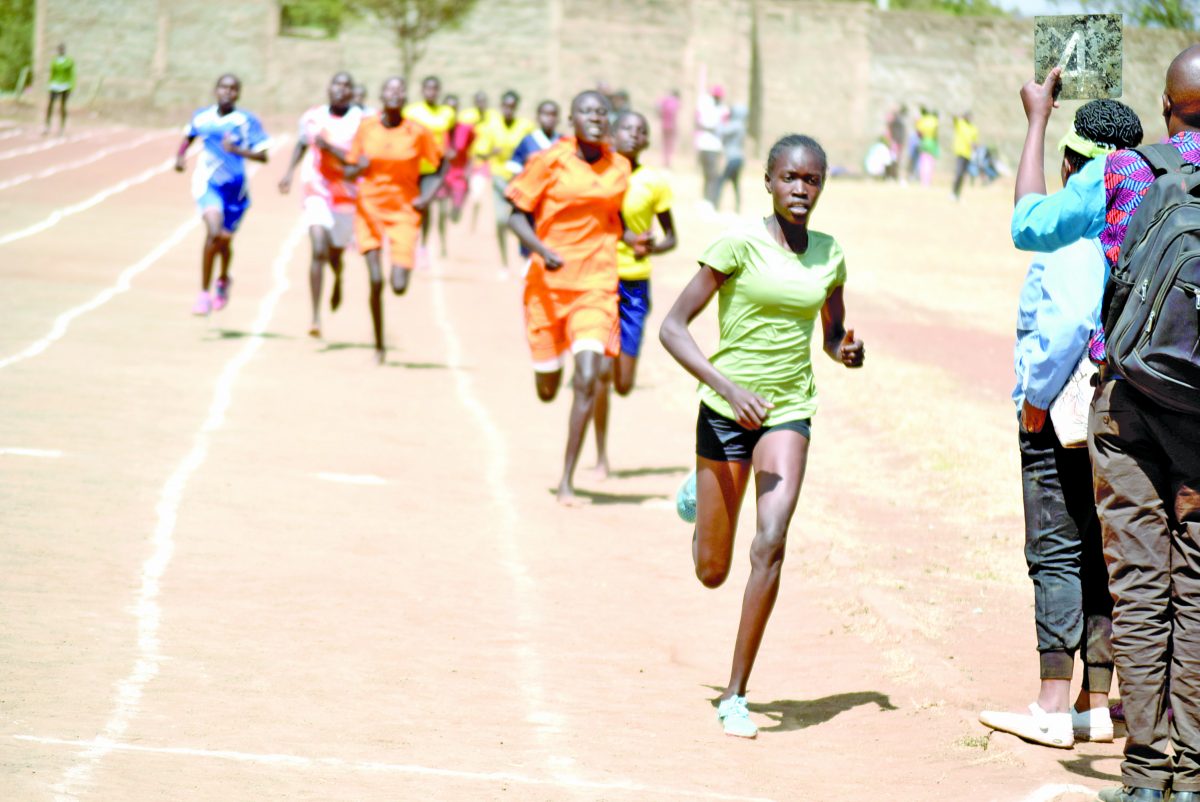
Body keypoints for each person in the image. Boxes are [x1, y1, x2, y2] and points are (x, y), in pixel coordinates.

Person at [1011, 50, 1200, 802]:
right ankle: (1192, 776)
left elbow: (1030, 224)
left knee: (1142, 587)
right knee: (1196, 588)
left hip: (1129, 405)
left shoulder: (1125, 172)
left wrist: (1037, 121)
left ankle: (1147, 775)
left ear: (1165, 105)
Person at [659, 134, 864, 738]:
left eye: (813, 180)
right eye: (790, 178)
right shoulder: (736, 243)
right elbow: (673, 328)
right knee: (712, 571)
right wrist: (726, 389)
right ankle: (702, 502)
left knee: (770, 541)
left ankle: (736, 692)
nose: (801, 190)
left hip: (786, 410)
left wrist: (844, 350)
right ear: (769, 181)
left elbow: (832, 334)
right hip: (725, 411)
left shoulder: (830, 255)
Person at [978, 98, 1143, 751]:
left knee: (1054, 546)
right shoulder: (1142, 204)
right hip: (1129, 401)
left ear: (1073, 164)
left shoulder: (1078, 220)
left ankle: (1050, 705)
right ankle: (1094, 701)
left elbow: (1070, 319)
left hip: (1067, 405)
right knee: (1103, 549)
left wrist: (1036, 396)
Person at [504, 90, 633, 505]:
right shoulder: (549, 161)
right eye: (587, 111)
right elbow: (516, 216)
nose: (596, 117)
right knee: (547, 388)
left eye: (602, 112)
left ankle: (566, 479)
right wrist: (541, 250)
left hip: (596, 285)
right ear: (572, 120)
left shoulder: (620, 167)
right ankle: (546, 364)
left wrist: (638, 239)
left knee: (589, 376)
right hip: (547, 286)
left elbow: (616, 220)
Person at [590, 109, 676, 478]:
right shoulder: (599, 173)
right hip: (600, 278)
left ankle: (602, 451)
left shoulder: (654, 183)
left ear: (645, 141)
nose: (632, 135)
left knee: (624, 384)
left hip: (636, 285)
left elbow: (672, 237)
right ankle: (600, 457)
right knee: (601, 375)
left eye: (640, 131)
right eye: (626, 128)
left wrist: (649, 247)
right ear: (612, 133)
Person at [344, 76, 446, 364]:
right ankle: (379, 345)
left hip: (403, 211)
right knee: (376, 280)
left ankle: (403, 267)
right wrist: (358, 168)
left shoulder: (417, 132)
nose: (395, 93)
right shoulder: (366, 128)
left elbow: (442, 163)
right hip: (369, 208)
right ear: (381, 95)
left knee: (398, 285)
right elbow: (349, 170)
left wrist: (427, 197)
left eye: (400, 90)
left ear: (405, 97)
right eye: (389, 89)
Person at [174, 73, 269, 316]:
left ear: (239, 93)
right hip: (208, 185)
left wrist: (236, 150)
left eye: (233, 89)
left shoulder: (246, 121)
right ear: (216, 90)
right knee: (213, 233)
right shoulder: (202, 116)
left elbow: (263, 156)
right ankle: (203, 294)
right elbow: (189, 136)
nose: (227, 92)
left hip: (236, 192)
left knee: (225, 241)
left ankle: (224, 279)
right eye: (223, 87)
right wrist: (180, 155)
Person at [278, 71, 363, 338]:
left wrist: (331, 149)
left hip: (346, 194)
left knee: (335, 253)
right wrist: (289, 172)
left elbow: (359, 159)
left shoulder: (361, 121)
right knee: (317, 248)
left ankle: (338, 277)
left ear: (352, 92)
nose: (340, 89)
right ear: (328, 88)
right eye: (336, 84)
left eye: (346, 85)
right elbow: (303, 143)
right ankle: (315, 317)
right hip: (317, 187)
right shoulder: (313, 116)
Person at [476, 90, 534, 276]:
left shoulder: (525, 127)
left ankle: (526, 259)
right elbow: (480, 153)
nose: (508, 110)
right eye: (505, 106)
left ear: (516, 107)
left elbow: (534, 148)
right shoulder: (491, 127)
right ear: (501, 106)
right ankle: (503, 263)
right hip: (500, 179)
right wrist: (493, 152)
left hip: (520, 180)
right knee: (501, 221)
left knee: (523, 222)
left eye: (512, 106)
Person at [403, 75, 456, 270]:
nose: (431, 93)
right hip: (412, 166)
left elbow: (449, 135)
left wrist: (450, 150)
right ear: (422, 90)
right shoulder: (411, 111)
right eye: (428, 89)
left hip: (434, 168)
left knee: (425, 207)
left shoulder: (447, 113)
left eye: (435, 89)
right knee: (409, 207)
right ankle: (408, 242)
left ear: (439, 91)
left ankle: (422, 247)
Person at [433, 94, 476, 255]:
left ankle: (457, 209)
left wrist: (469, 171)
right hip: (442, 175)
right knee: (442, 213)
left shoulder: (466, 129)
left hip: (459, 176)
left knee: (455, 214)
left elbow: (471, 151)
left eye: (454, 108)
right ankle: (443, 245)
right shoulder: (438, 129)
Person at [460, 91, 493, 234]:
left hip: (485, 163)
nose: (481, 104)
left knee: (477, 196)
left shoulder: (492, 119)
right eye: (478, 101)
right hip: (468, 162)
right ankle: (464, 223)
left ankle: (474, 225)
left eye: (484, 101)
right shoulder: (466, 118)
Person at [695, 83, 728, 209]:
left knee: (709, 176)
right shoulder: (716, 109)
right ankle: (707, 201)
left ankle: (708, 200)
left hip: (708, 146)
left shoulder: (712, 108)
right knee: (709, 176)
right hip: (709, 146)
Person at [716, 104, 748, 212]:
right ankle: (738, 207)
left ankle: (716, 205)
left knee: (721, 181)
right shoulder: (742, 125)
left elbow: (720, 131)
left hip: (732, 158)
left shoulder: (736, 125)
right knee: (735, 183)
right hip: (739, 158)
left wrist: (722, 119)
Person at [43, 43, 74, 136]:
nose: (61, 51)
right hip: (55, 85)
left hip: (65, 85)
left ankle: (62, 127)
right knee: (50, 105)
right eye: (59, 49)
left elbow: (72, 75)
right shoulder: (54, 61)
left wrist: (71, 87)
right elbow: (52, 74)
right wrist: (49, 85)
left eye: (62, 49)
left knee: (62, 106)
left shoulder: (69, 61)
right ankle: (47, 126)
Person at [951, 111, 980, 200]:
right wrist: (960, 116)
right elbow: (954, 117)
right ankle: (953, 192)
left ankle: (958, 194)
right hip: (960, 152)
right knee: (958, 173)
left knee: (963, 175)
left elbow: (976, 143)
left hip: (968, 154)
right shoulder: (960, 124)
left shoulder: (974, 128)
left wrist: (973, 145)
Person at [915, 107, 939, 186]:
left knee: (923, 162)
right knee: (930, 162)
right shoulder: (935, 121)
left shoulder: (923, 120)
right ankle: (928, 181)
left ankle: (923, 181)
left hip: (924, 142)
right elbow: (936, 133)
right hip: (932, 143)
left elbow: (919, 132)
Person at [657, 89, 681, 169]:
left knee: (665, 144)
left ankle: (665, 160)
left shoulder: (665, 100)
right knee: (670, 144)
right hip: (672, 126)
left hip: (664, 125)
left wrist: (660, 115)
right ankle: (668, 161)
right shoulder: (676, 102)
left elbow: (657, 106)